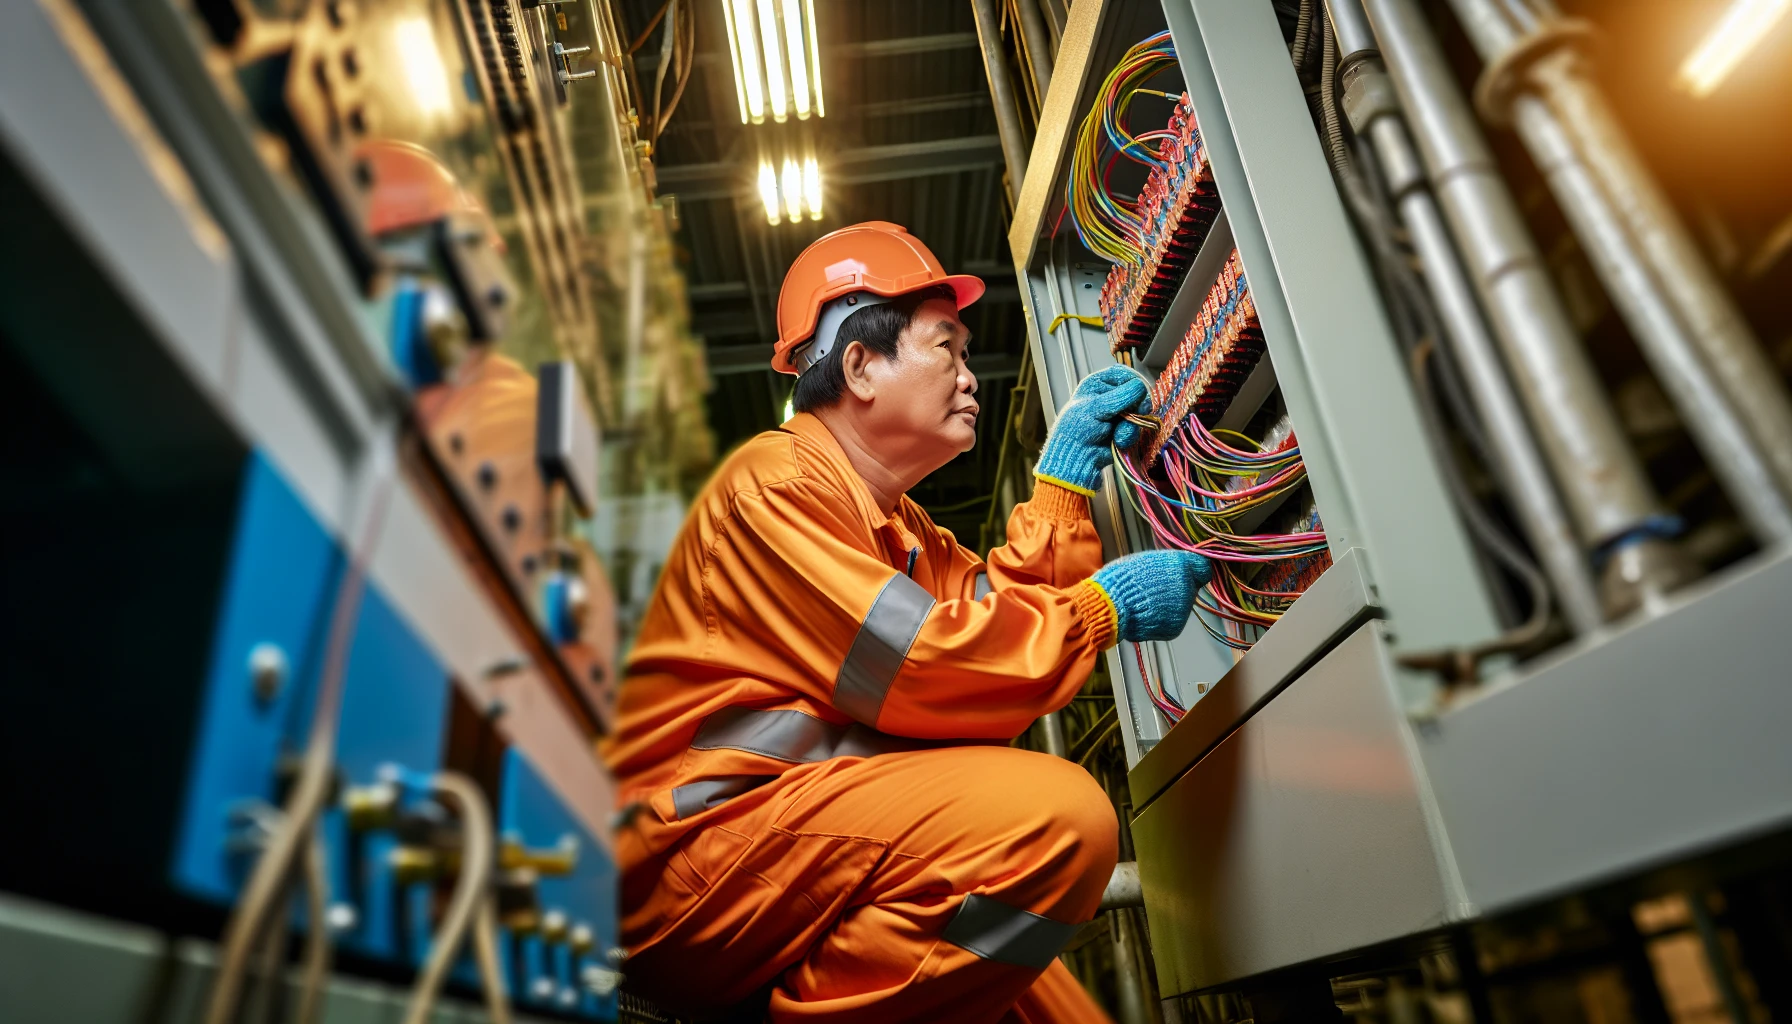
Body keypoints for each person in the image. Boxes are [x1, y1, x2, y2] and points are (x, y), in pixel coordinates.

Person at [605, 222, 1211, 1023]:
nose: (970, 376)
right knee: (1061, 825)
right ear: (859, 366)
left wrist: (1062, 489)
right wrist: (1101, 611)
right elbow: (930, 667)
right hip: (694, 871)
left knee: (1056, 1010)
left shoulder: (903, 527)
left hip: (794, 858)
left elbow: (994, 628)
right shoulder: (775, 487)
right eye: (946, 348)